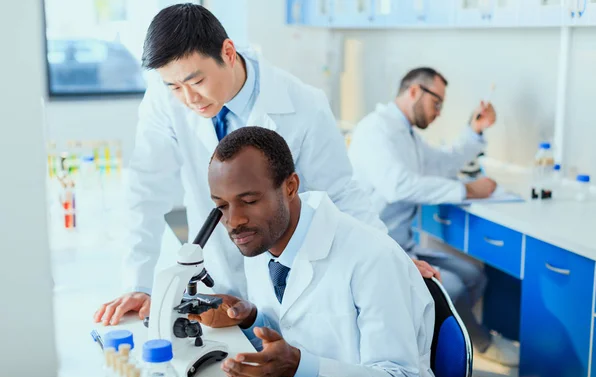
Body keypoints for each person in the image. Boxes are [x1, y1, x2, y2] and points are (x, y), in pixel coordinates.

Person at [93, 3, 387, 326]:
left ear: (229, 53)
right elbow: (146, 189)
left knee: (284, 365)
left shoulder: (303, 104)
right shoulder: (164, 103)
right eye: (175, 87)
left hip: (291, 285)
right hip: (217, 281)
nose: (189, 98)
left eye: (197, 81)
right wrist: (138, 283)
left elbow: (341, 193)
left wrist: (389, 257)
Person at [190, 126, 448, 377]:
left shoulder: (373, 258)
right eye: (221, 206)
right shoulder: (258, 242)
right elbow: (294, 329)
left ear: (290, 187)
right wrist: (250, 319)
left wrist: (295, 366)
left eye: (249, 200)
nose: (234, 221)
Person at [347, 67, 518, 367]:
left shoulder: (406, 134)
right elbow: (399, 185)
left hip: (402, 245)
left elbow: (442, 162)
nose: (438, 112)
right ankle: (475, 346)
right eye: (437, 103)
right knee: (450, 286)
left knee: (473, 275)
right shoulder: (376, 130)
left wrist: (475, 131)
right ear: (414, 91)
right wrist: (468, 189)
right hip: (378, 252)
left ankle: (456, 345)